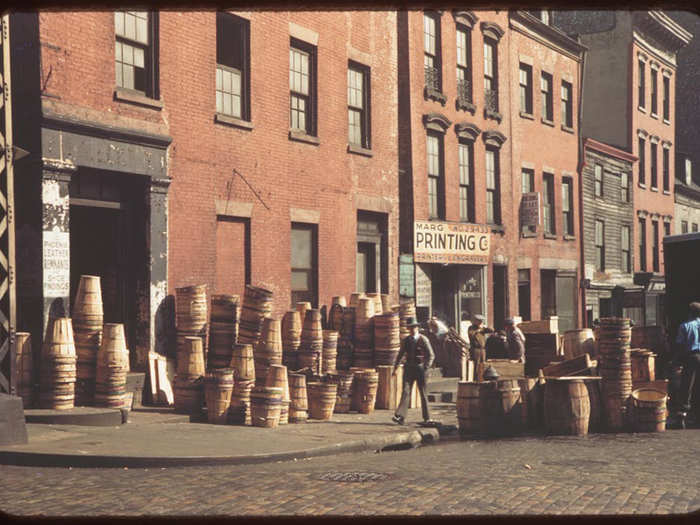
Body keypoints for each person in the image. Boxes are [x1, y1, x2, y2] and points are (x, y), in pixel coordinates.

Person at [392, 316, 436, 425]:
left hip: (420, 368)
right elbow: (400, 354)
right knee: (406, 391)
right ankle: (401, 416)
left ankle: (427, 418)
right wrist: (396, 367)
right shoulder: (406, 340)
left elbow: (431, 355)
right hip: (408, 368)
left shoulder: (423, 339)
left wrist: (426, 367)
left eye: (413, 327)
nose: (411, 330)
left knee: (423, 393)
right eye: (410, 328)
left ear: (417, 328)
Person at [673, 302, 700, 426]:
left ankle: (682, 415)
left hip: (691, 357)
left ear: (690, 312)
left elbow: (679, 345)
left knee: (687, 385)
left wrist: (676, 360)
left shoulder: (685, 326)